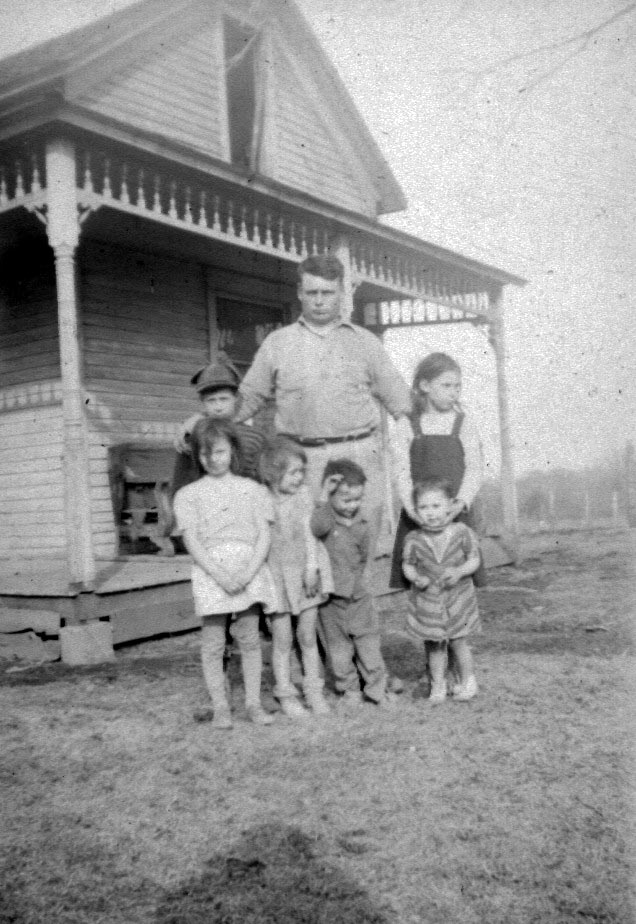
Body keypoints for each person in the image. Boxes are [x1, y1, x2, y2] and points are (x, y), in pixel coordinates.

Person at [235, 254, 412, 553]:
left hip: (358, 454)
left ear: (341, 293)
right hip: (301, 461)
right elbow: (248, 397)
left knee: (358, 549)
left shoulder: (365, 342)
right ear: (300, 293)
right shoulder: (278, 343)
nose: (319, 301)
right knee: (306, 548)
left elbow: (400, 401)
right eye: (312, 293)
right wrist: (202, 423)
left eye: (327, 293)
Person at [172, 418, 277, 729]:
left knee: (249, 638)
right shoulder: (188, 495)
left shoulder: (253, 490)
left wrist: (248, 572)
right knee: (214, 642)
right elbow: (192, 541)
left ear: (232, 451)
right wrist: (218, 574)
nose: (212, 459)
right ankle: (220, 706)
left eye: (219, 451)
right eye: (205, 454)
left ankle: (253, 704)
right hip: (211, 571)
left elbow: (263, 535)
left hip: (249, 567)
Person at [390, 351, 485, 589]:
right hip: (420, 515)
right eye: (446, 385)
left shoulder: (463, 423)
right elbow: (401, 472)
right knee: (422, 581)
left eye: (458, 386)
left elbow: (474, 468)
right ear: (424, 385)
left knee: (459, 580)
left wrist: (461, 503)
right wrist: (413, 510)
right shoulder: (406, 424)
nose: (454, 392)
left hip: (454, 513)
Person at [259, 437, 333, 718]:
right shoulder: (262, 498)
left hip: (305, 572)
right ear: (274, 472)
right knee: (282, 639)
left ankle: (313, 691)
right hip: (276, 575)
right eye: (293, 472)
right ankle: (286, 693)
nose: (299, 477)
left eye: (302, 471)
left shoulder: (303, 495)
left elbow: (309, 533)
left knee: (307, 635)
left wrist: (312, 567)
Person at [310, 458, 393, 708]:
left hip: (358, 597)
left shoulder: (364, 524)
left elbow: (366, 557)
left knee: (368, 644)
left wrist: (366, 584)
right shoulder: (325, 520)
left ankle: (378, 689)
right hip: (331, 600)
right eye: (346, 500)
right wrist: (323, 494)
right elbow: (315, 527)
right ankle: (349, 690)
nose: (352, 506)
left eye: (357, 499)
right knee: (339, 651)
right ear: (331, 496)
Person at [402, 477, 481, 703]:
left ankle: (467, 681)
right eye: (424, 507)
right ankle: (438, 684)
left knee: (458, 642)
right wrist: (416, 577)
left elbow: (473, 559)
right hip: (429, 598)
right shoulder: (414, 538)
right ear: (416, 511)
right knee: (434, 644)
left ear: (449, 505)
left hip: (457, 595)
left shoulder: (461, 531)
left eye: (436, 506)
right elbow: (407, 564)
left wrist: (459, 571)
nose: (431, 513)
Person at [171, 352, 264, 500]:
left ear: (236, 398)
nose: (218, 406)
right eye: (211, 400)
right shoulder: (192, 434)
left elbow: (261, 480)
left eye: (224, 399)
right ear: (202, 403)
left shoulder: (255, 437)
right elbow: (181, 480)